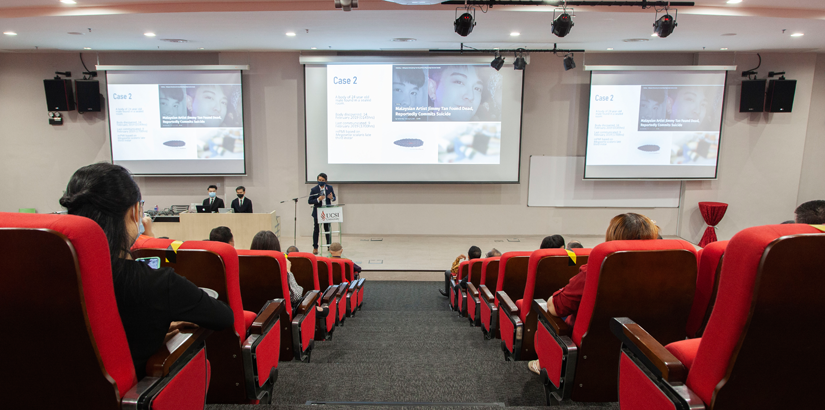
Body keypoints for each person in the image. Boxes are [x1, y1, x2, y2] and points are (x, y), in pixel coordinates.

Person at [59, 163, 234, 379]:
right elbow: (224, 317)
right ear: (134, 211)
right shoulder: (157, 282)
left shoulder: (47, 278)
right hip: (135, 391)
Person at [527, 213, 659, 375]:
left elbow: (556, 308)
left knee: (548, 310)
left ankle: (546, 363)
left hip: (592, 353)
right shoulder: (671, 270)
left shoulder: (597, 269)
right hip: (648, 353)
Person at [250, 230, 305, 310]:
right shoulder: (277, 269)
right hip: (276, 316)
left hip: (251, 312)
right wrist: (288, 271)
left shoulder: (245, 267)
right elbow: (296, 296)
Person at [308, 173, 335, 255]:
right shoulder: (314, 189)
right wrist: (318, 199)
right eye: (319, 180)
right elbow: (309, 201)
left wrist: (332, 198)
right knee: (316, 230)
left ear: (326, 181)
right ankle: (315, 247)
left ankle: (329, 246)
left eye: (322, 180)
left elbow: (334, 197)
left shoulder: (329, 188)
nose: (320, 182)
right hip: (317, 212)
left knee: (327, 229)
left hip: (327, 212)